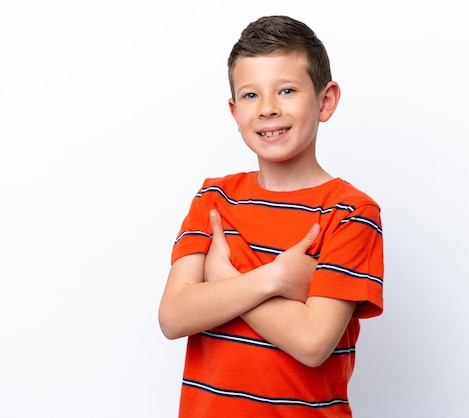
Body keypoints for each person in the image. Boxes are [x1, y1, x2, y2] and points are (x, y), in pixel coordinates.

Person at [158, 15, 384, 417]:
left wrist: (225, 281)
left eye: (287, 90)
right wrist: (274, 279)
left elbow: (313, 341)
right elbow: (174, 316)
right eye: (250, 95)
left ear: (325, 100)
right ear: (234, 111)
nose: (267, 109)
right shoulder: (214, 197)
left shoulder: (350, 212)